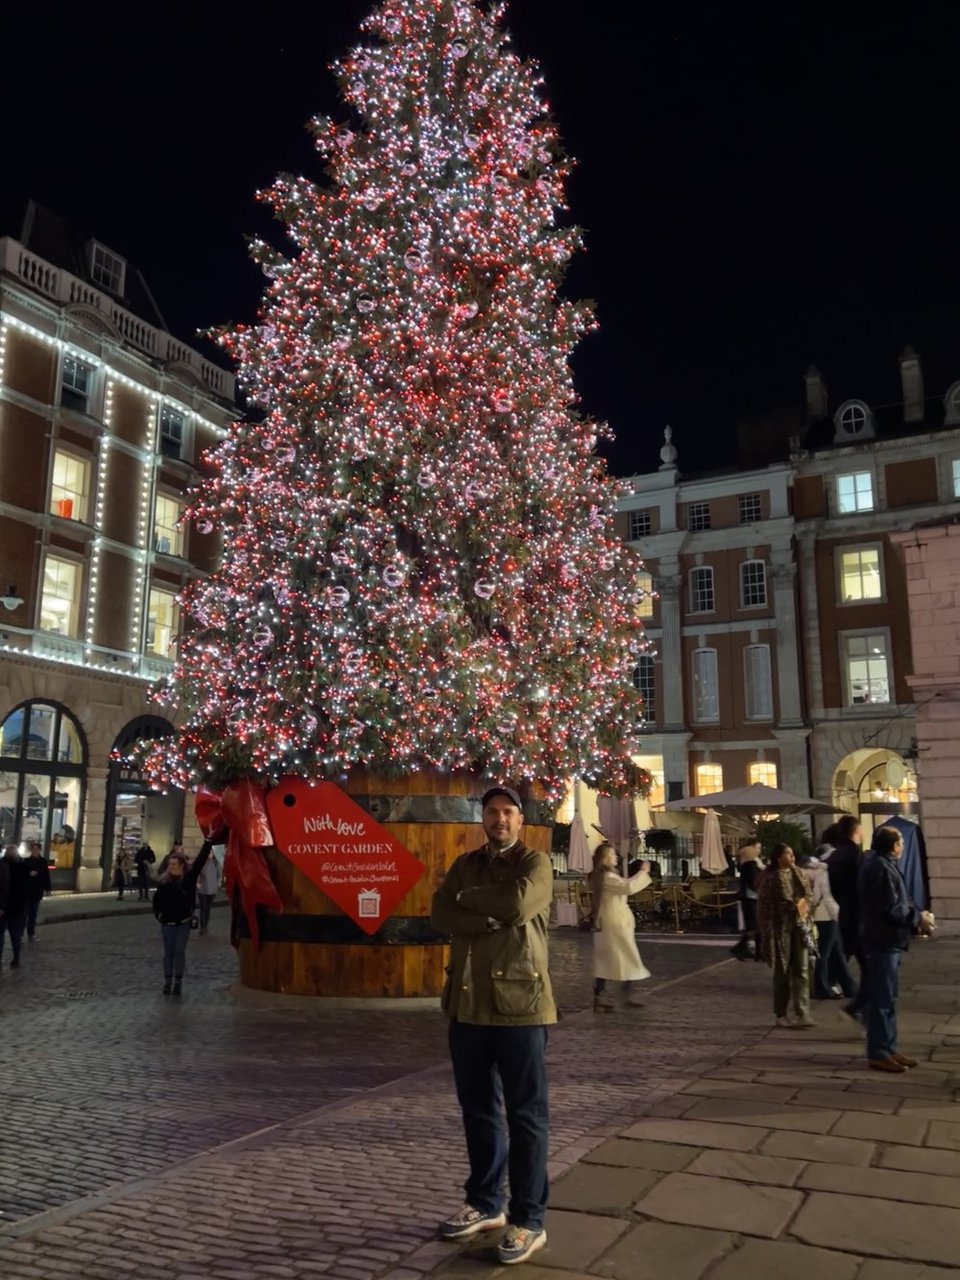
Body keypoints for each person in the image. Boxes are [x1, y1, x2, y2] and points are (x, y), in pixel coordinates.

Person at [430, 785, 555, 1269]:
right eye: (492, 812)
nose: (499, 819)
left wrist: (468, 904)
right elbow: (440, 911)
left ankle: (529, 1219)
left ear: (521, 820)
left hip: (522, 1006)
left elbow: (519, 906)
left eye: (508, 812)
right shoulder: (467, 864)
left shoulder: (536, 863)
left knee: (526, 1115)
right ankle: (485, 1202)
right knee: (478, 1109)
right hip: (467, 1004)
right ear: (481, 817)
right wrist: (477, 910)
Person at [858, 825, 936, 1073]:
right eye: (900, 842)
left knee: (887, 998)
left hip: (886, 940)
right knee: (882, 998)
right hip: (882, 941)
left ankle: (888, 1047)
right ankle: (879, 1052)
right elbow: (891, 907)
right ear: (894, 846)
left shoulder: (882, 865)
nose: (902, 846)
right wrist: (919, 918)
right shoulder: (880, 868)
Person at [757, 843, 816, 1029]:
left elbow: (809, 896)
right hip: (779, 927)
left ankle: (803, 1012)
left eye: (792, 853)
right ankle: (781, 1013)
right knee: (782, 971)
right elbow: (764, 906)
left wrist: (803, 905)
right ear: (778, 857)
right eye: (787, 854)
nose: (792, 857)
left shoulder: (798, 873)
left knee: (802, 968)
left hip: (800, 924)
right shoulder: (770, 878)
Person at [589, 841, 651, 1011]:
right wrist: (642, 872)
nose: (615, 857)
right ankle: (609, 996)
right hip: (613, 922)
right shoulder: (607, 877)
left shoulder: (606, 876)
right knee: (621, 956)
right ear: (604, 859)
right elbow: (628, 887)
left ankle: (615, 995)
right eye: (612, 855)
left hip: (613, 921)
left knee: (617, 957)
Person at [799, 839, 856, 1002]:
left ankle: (848, 985)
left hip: (827, 915)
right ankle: (822, 987)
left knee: (837, 953)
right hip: (826, 915)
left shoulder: (818, 870)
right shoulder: (823, 872)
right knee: (824, 953)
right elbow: (820, 895)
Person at [152, 841, 212, 995]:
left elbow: (199, 862)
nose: (171, 867)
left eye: (174, 864)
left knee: (179, 951)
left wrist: (208, 843)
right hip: (167, 922)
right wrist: (159, 915)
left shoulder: (188, 879)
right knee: (168, 952)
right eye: (170, 864)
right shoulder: (164, 882)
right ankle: (167, 981)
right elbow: (157, 901)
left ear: (181, 865)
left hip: (183, 922)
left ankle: (178, 981)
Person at [826, 815, 868, 1024]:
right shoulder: (856, 855)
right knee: (871, 966)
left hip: (846, 911)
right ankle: (859, 1008)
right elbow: (864, 886)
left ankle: (859, 1006)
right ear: (856, 830)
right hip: (860, 914)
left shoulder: (834, 857)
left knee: (852, 955)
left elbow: (833, 889)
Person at [731, 837, 763, 961]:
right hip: (752, 897)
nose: (759, 850)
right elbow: (753, 881)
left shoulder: (747, 862)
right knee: (755, 926)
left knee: (754, 926)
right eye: (758, 847)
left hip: (749, 897)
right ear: (752, 848)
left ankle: (745, 950)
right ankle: (751, 951)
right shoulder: (751, 863)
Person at [0, 844, 29, 969]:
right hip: (16, 906)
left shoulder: (4, 866)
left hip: (7, 906)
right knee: (14, 935)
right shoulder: (23, 866)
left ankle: (13, 958)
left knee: (5, 933)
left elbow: (4, 888)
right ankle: (16, 958)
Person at [24, 841, 52, 939]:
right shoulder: (26, 861)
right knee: (25, 914)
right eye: (34, 849)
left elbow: (46, 876)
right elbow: (21, 876)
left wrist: (48, 889)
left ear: (40, 850)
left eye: (37, 849)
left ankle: (31, 933)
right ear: (31, 850)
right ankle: (20, 934)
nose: (35, 851)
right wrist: (28, 874)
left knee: (33, 914)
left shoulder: (43, 861)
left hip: (37, 891)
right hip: (27, 891)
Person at [196, 847, 220, 934]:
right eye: (208, 852)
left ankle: (205, 925)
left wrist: (217, 884)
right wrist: (197, 884)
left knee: (208, 909)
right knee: (203, 908)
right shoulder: (202, 863)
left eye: (211, 852)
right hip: (203, 889)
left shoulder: (216, 863)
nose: (210, 854)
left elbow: (219, 875)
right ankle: (202, 927)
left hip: (212, 890)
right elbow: (197, 873)